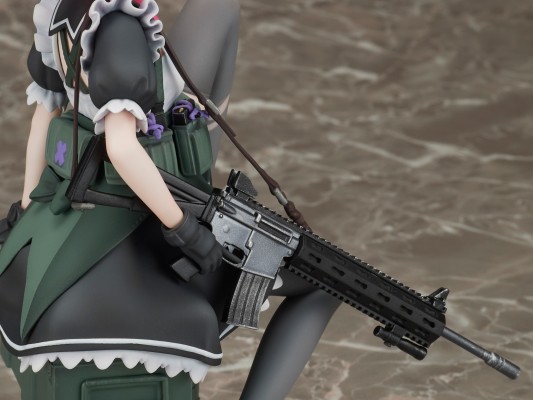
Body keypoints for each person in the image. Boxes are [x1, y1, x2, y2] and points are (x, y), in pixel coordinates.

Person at [0, 1, 340, 399]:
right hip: (125, 219)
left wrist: (25, 212)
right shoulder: (118, 28)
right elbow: (121, 147)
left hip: (61, 208)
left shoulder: (61, 12)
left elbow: (44, 117)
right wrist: (183, 229)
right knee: (322, 283)